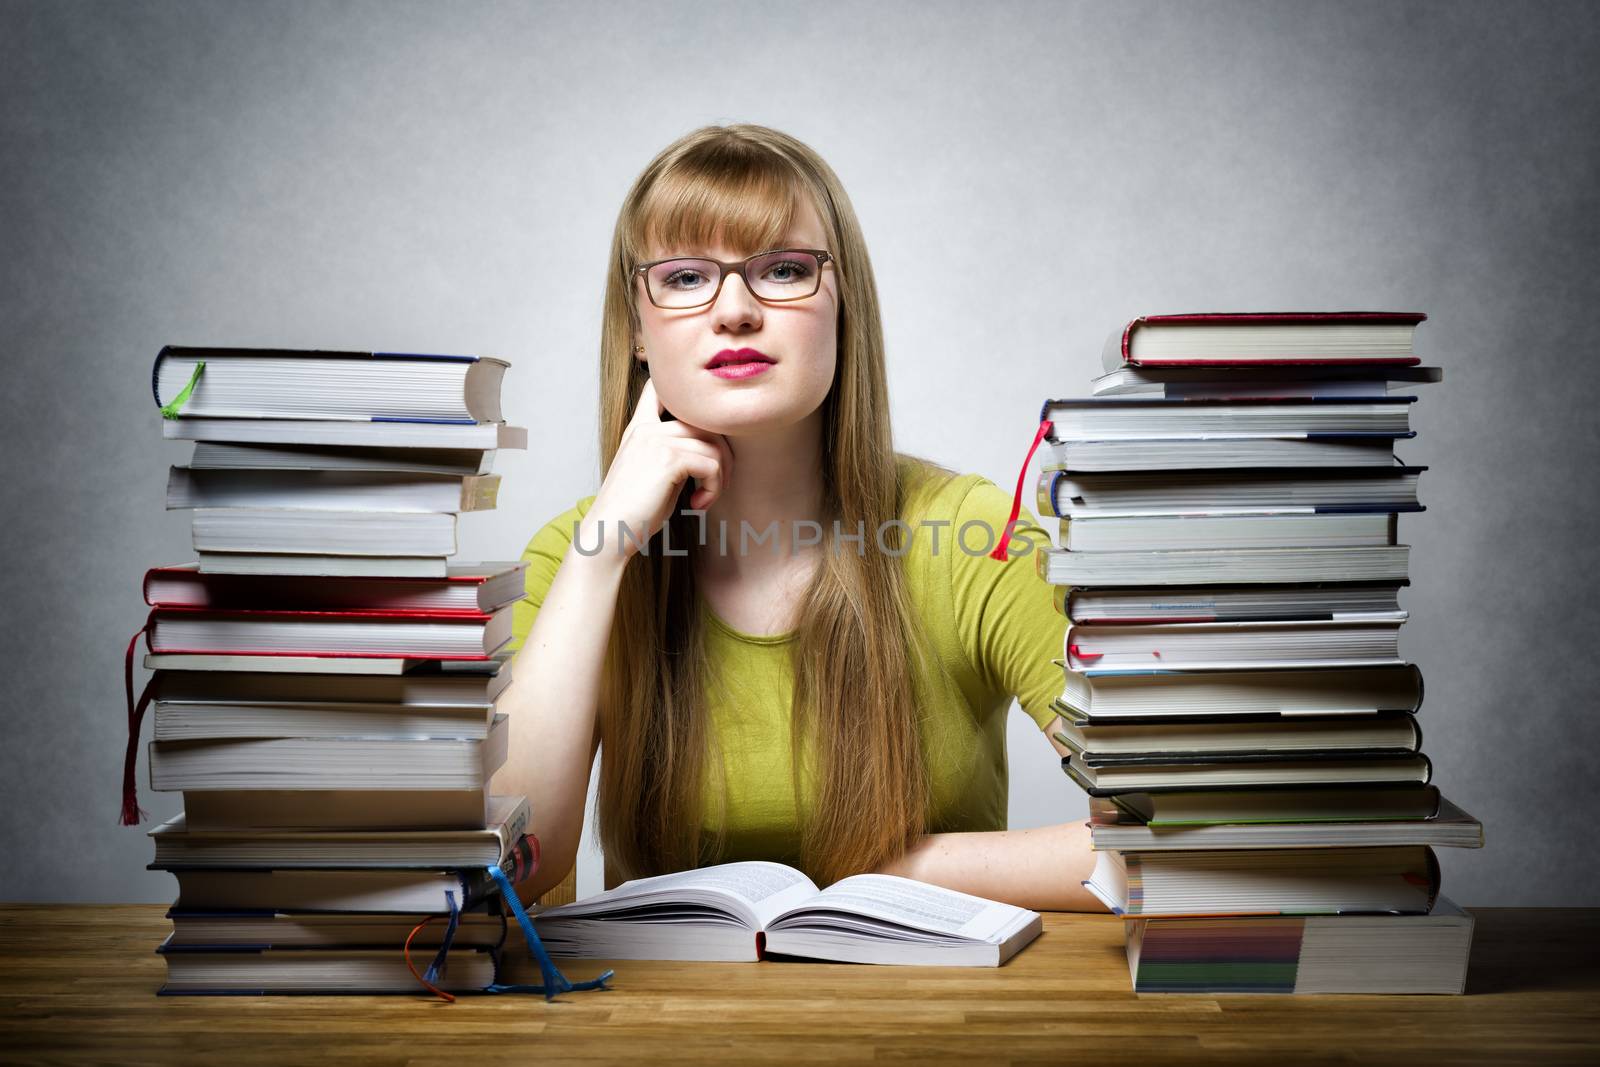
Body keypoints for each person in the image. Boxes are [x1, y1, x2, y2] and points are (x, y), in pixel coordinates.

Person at [497, 123, 1105, 912]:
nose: (737, 311)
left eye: (783, 270)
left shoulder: (971, 534)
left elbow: (1172, 828)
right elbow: (509, 865)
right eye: (685, 279)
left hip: (934, 1021)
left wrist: (894, 877)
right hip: (665, 1028)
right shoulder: (574, 554)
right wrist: (601, 554)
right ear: (637, 330)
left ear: (842, 301)